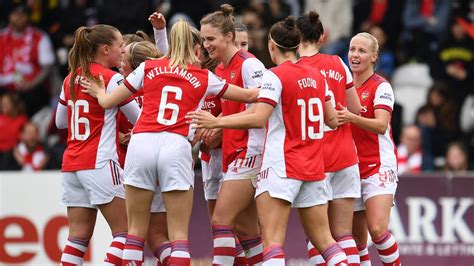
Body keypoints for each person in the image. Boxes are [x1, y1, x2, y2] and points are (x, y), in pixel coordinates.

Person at [80, 19, 260, 265]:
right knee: (178, 237)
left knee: (135, 232)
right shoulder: (204, 76)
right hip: (175, 146)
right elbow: (250, 94)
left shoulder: (149, 67)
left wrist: (100, 92)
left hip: (141, 143)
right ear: (196, 48)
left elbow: (109, 102)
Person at [187, 16, 349, 266]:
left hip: (282, 166)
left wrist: (216, 122)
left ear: (272, 47)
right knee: (325, 241)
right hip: (314, 167)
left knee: (272, 242)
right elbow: (333, 121)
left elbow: (259, 117)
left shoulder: (275, 76)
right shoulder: (319, 76)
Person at [55, 24, 141, 266]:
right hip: (100, 162)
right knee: (126, 232)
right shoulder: (112, 79)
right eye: (120, 46)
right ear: (106, 49)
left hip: (71, 164)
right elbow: (139, 118)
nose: (123, 52)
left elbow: (61, 122)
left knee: (77, 238)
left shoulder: (70, 77)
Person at [200, 4, 266, 264]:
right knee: (248, 233)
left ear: (228, 37)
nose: (206, 44)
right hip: (232, 152)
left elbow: (263, 111)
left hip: (250, 153)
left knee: (221, 220)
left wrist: (218, 123)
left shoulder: (250, 65)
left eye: (211, 39)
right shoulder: (219, 70)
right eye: (204, 39)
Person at [295, 11, 362, 266]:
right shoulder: (337, 63)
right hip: (345, 156)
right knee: (344, 234)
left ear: (296, 38)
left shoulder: (295, 70)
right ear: (321, 37)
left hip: (315, 160)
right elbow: (355, 109)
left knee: (317, 236)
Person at [337, 32, 401, 265]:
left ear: (374, 56)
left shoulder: (381, 86)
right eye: (352, 49)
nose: (355, 55)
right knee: (356, 239)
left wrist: (351, 117)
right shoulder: (342, 86)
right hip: (351, 167)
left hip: (378, 165)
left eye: (362, 51)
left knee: (377, 229)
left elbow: (381, 125)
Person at [0, 3, 55, 117]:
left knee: (35, 96)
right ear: (9, 16)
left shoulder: (39, 37)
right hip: (4, 87)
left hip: (30, 88)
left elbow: (47, 67)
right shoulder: (1, 37)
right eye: (15, 14)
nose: (19, 17)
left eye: (23, 14)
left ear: (28, 17)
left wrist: (31, 84)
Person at [0, 92, 28, 170]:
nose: (3, 106)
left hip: (14, 154)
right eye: (2, 103)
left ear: (13, 104)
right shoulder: (1, 118)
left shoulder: (22, 120)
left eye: (6, 103)